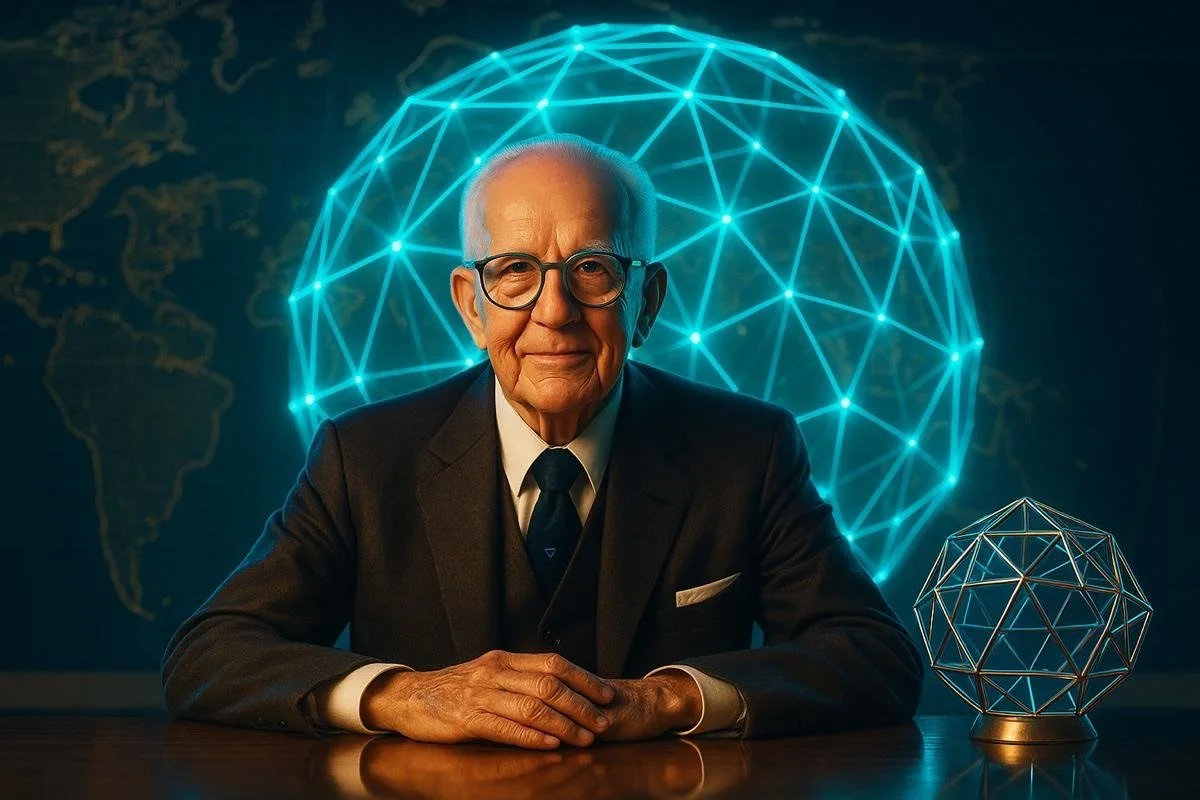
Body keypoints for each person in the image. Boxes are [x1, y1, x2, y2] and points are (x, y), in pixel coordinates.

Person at [162, 133, 923, 749]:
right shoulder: (363, 458)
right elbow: (207, 657)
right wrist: (405, 695)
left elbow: (874, 658)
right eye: (515, 272)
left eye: (592, 269)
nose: (553, 312)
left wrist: (670, 698)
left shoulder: (748, 451)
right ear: (471, 305)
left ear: (645, 300)